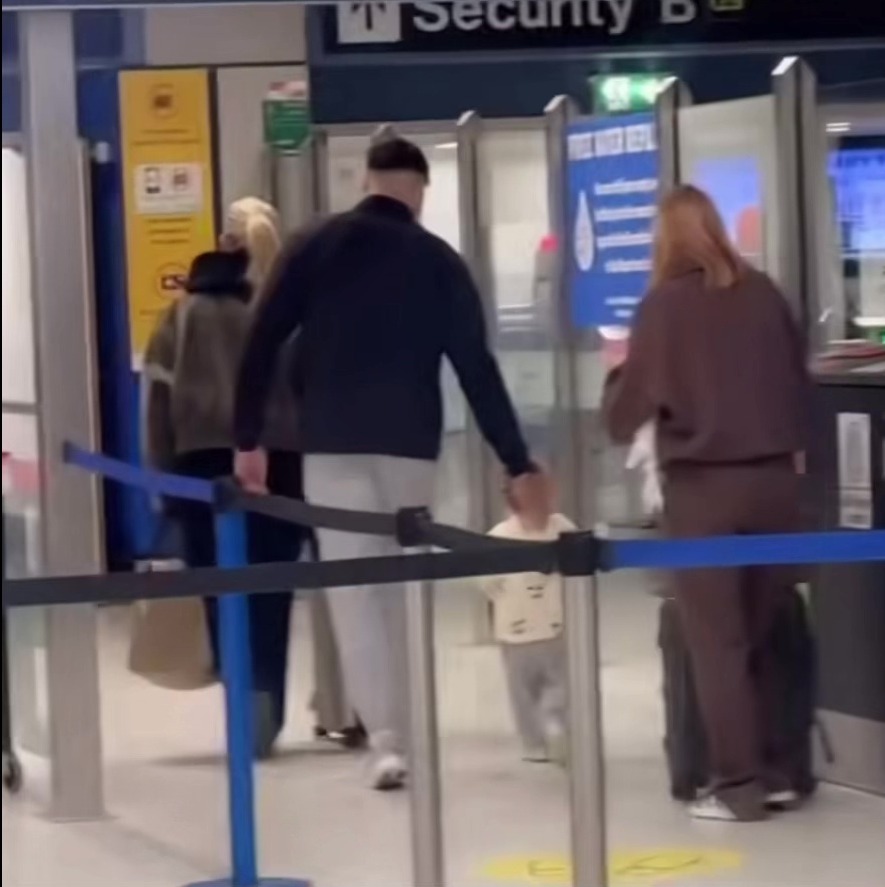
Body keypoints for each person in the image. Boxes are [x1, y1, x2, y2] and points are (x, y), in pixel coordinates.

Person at [233, 137, 551, 790]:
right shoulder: (439, 261)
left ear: (369, 180)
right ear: (419, 188)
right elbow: (476, 369)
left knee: (352, 591)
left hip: (330, 442)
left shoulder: (313, 245)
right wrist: (516, 461)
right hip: (409, 444)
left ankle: (386, 741)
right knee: (403, 582)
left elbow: (260, 340)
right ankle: (408, 724)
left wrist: (248, 439)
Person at [603, 185, 811, 822]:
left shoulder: (663, 308)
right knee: (764, 630)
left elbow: (623, 416)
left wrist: (617, 386)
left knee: (717, 645)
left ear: (664, 241)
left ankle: (737, 787)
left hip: (704, 492)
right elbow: (801, 386)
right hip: (779, 486)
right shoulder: (766, 293)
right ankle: (780, 773)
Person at [143, 227, 304, 760]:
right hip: (274, 463)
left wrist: (162, 478)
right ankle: (267, 711)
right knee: (271, 594)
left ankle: (241, 712)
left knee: (221, 596)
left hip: (198, 467)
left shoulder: (176, 318)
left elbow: (158, 406)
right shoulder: (268, 314)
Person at [480, 506, 575, 765]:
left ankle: (549, 728)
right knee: (526, 689)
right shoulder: (499, 535)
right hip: (519, 628)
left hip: (548, 624)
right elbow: (486, 581)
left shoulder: (562, 527)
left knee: (555, 684)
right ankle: (537, 739)